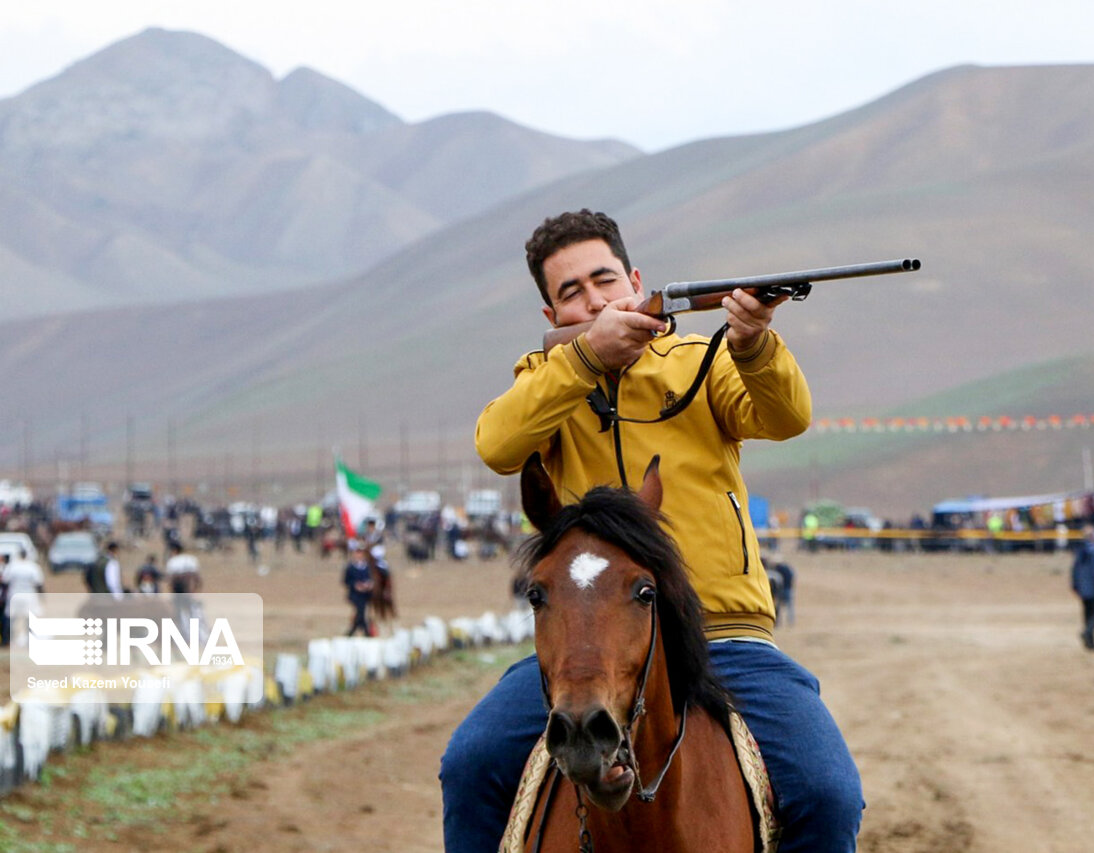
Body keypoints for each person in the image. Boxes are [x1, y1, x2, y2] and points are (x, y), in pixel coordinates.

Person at [442, 210, 863, 852]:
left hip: (726, 635)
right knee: (470, 766)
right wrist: (584, 359)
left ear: (635, 281)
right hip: (594, 641)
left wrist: (752, 343)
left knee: (828, 794)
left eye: (604, 280)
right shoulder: (546, 379)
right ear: (552, 316)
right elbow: (498, 445)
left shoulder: (702, 358)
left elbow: (786, 417)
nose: (593, 299)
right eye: (570, 292)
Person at [1071, 525, 1094, 651]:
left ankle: (1091, 644)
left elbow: (1074, 569)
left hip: (1083, 588)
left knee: (1088, 615)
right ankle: (1087, 633)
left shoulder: (1080, 550)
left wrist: (1075, 585)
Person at [3, 548, 45, 648]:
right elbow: (39, 584)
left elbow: (5, 581)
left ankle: (8, 640)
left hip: (14, 595)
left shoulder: (12, 566)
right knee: (29, 618)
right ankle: (30, 640)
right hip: (29, 595)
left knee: (11, 618)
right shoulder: (33, 567)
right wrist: (42, 596)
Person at [342, 548, 374, 636]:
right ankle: (365, 632)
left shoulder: (367, 567)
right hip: (355, 594)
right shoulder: (350, 567)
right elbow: (346, 581)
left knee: (361, 612)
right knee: (361, 611)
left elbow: (371, 578)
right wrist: (355, 585)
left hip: (365, 594)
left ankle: (352, 632)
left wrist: (369, 584)